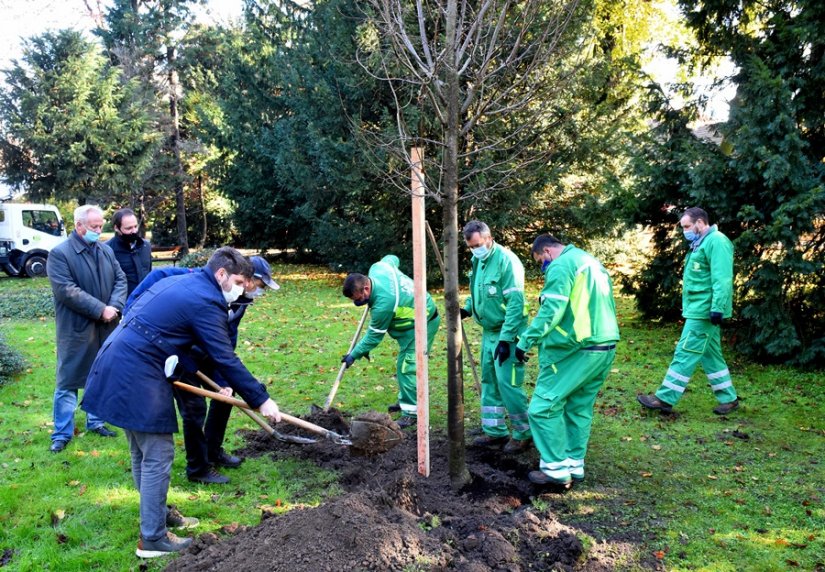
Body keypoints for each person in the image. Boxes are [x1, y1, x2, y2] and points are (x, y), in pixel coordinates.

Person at [81, 247, 281, 558]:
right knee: (157, 454)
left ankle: (157, 515)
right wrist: (262, 398)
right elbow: (224, 356)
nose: (243, 290)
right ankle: (153, 538)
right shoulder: (206, 300)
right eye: (240, 282)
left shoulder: (184, 282)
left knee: (142, 451)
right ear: (222, 275)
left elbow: (165, 331)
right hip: (136, 372)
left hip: (119, 360)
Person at [126, 257, 279, 485]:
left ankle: (212, 450)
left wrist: (222, 379)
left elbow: (227, 341)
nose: (259, 292)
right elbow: (142, 297)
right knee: (194, 408)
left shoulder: (239, 300)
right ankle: (198, 468)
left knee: (226, 396)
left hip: (208, 352)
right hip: (179, 351)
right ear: (247, 279)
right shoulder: (181, 278)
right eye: (260, 285)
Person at [515, 234, 619, 487]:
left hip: (575, 347)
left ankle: (555, 470)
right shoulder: (589, 261)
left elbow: (552, 310)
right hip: (604, 343)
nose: (543, 268)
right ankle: (574, 465)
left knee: (542, 407)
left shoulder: (562, 265)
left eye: (541, 262)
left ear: (547, 252)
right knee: (578, 407)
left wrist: (525, 340)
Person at [638, 207, 738, 415]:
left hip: (705, 311)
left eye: (687, 226)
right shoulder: (700, 243)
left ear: (700, 223)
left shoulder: (717, 241)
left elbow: (722, 278)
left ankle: (665, 398)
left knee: (685, 351)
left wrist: (717, 308)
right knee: (711, 355)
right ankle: (729, 398)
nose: (684, 231)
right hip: (699, 309)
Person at [46, 205, 127, 453]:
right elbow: (66, 290)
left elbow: (120, 279)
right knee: (68, 380)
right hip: (76, 329)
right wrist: (100, 309)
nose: (98, 230)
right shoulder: (60, 254)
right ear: (79, 226)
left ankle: (96, 422)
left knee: (100, 375)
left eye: (100, 225)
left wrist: (114, 306)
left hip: (107, 326)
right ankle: (61, 432)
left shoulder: (105, 251)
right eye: (94, 226)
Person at [341, 255, 441, 428]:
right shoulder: (379, 268)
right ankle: (407, 400)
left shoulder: (384, 304)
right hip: (410, 321)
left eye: (357, 299)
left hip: (422, 323)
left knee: (407, 366)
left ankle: (411, 413)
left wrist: (354, 355)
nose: (356, 302)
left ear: (366, 288)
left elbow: (374, 337)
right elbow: (393, 258)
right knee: (405, 366)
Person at [460, 221, 532, 453]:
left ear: (489, 238)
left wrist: (506, 339)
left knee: (508, 384)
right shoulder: (478, 261)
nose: (475, 250)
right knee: (489, 381)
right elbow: (477, 292)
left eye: (478, 245)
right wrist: (468, 308)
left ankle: (523, 433)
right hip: (488, 333)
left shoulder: (507, 261)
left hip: (507, 332)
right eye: (471, 247)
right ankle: (495, 431)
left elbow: (515, 304)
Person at [106, 208, 152, 296]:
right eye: (129, 228)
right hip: (122, 303)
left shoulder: (146, 246)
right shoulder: (107, 250)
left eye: (135, 226)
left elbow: (148, 273)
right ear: (116, 228)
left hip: (145, 300)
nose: (134, 231)